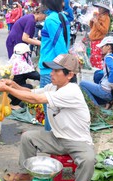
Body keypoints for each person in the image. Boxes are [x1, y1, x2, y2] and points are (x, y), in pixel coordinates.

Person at [0, 54, 95, 181]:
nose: (51, 73)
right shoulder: (54, 87)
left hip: (77, 141)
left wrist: (8, 90)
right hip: (56, 137)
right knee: (28, 137)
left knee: (88, 159)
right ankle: (26, 174)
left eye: (56, 71)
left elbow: (36, 99)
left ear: (69, 74)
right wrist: (12, 85)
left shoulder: (72, 91)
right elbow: (32, 92)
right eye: (52, 70)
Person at [38, 0, 70, 132]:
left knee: (50, 111)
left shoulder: (51, 20)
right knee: (55, 111)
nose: (41, 5)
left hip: (50, 69)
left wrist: (61, 68)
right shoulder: (61, 16)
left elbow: (60, 46)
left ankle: (50, 142)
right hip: (54, 67)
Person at [80, 36, 113, 107]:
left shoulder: (108, 57)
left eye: (102, 46)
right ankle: (101, 104)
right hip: (111, 92)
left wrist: (111, 83)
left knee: (82, 84)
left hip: (105, 91)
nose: (101, 48)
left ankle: (95, 107)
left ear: (109, 47)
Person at [89, 2, 111, 69]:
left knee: (97, 59)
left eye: (100, 8)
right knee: (93, 58)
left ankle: (99, 72)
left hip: (99, 40)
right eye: (98, 7)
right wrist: (92, 21)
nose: (99, 9)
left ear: (104, 9)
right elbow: (92, 27)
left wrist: (96, 22)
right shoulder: (98, 16)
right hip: (93, 40)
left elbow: (104, 31)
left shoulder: (106, 18)